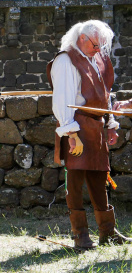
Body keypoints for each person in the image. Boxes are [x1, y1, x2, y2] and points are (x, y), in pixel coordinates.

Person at [47, 20, 131, 248]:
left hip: (96, 127)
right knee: (74, 181)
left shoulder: (97, 58)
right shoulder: (66, 60)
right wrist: (71, 135)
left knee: (99, 178)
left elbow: (105, 95)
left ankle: (108, 233)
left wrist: (110, 123)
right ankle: (80, 236)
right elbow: (63, 100)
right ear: (82, 38)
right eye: (96, 45)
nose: (98, 50)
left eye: (102, 46)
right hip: (76, 125)